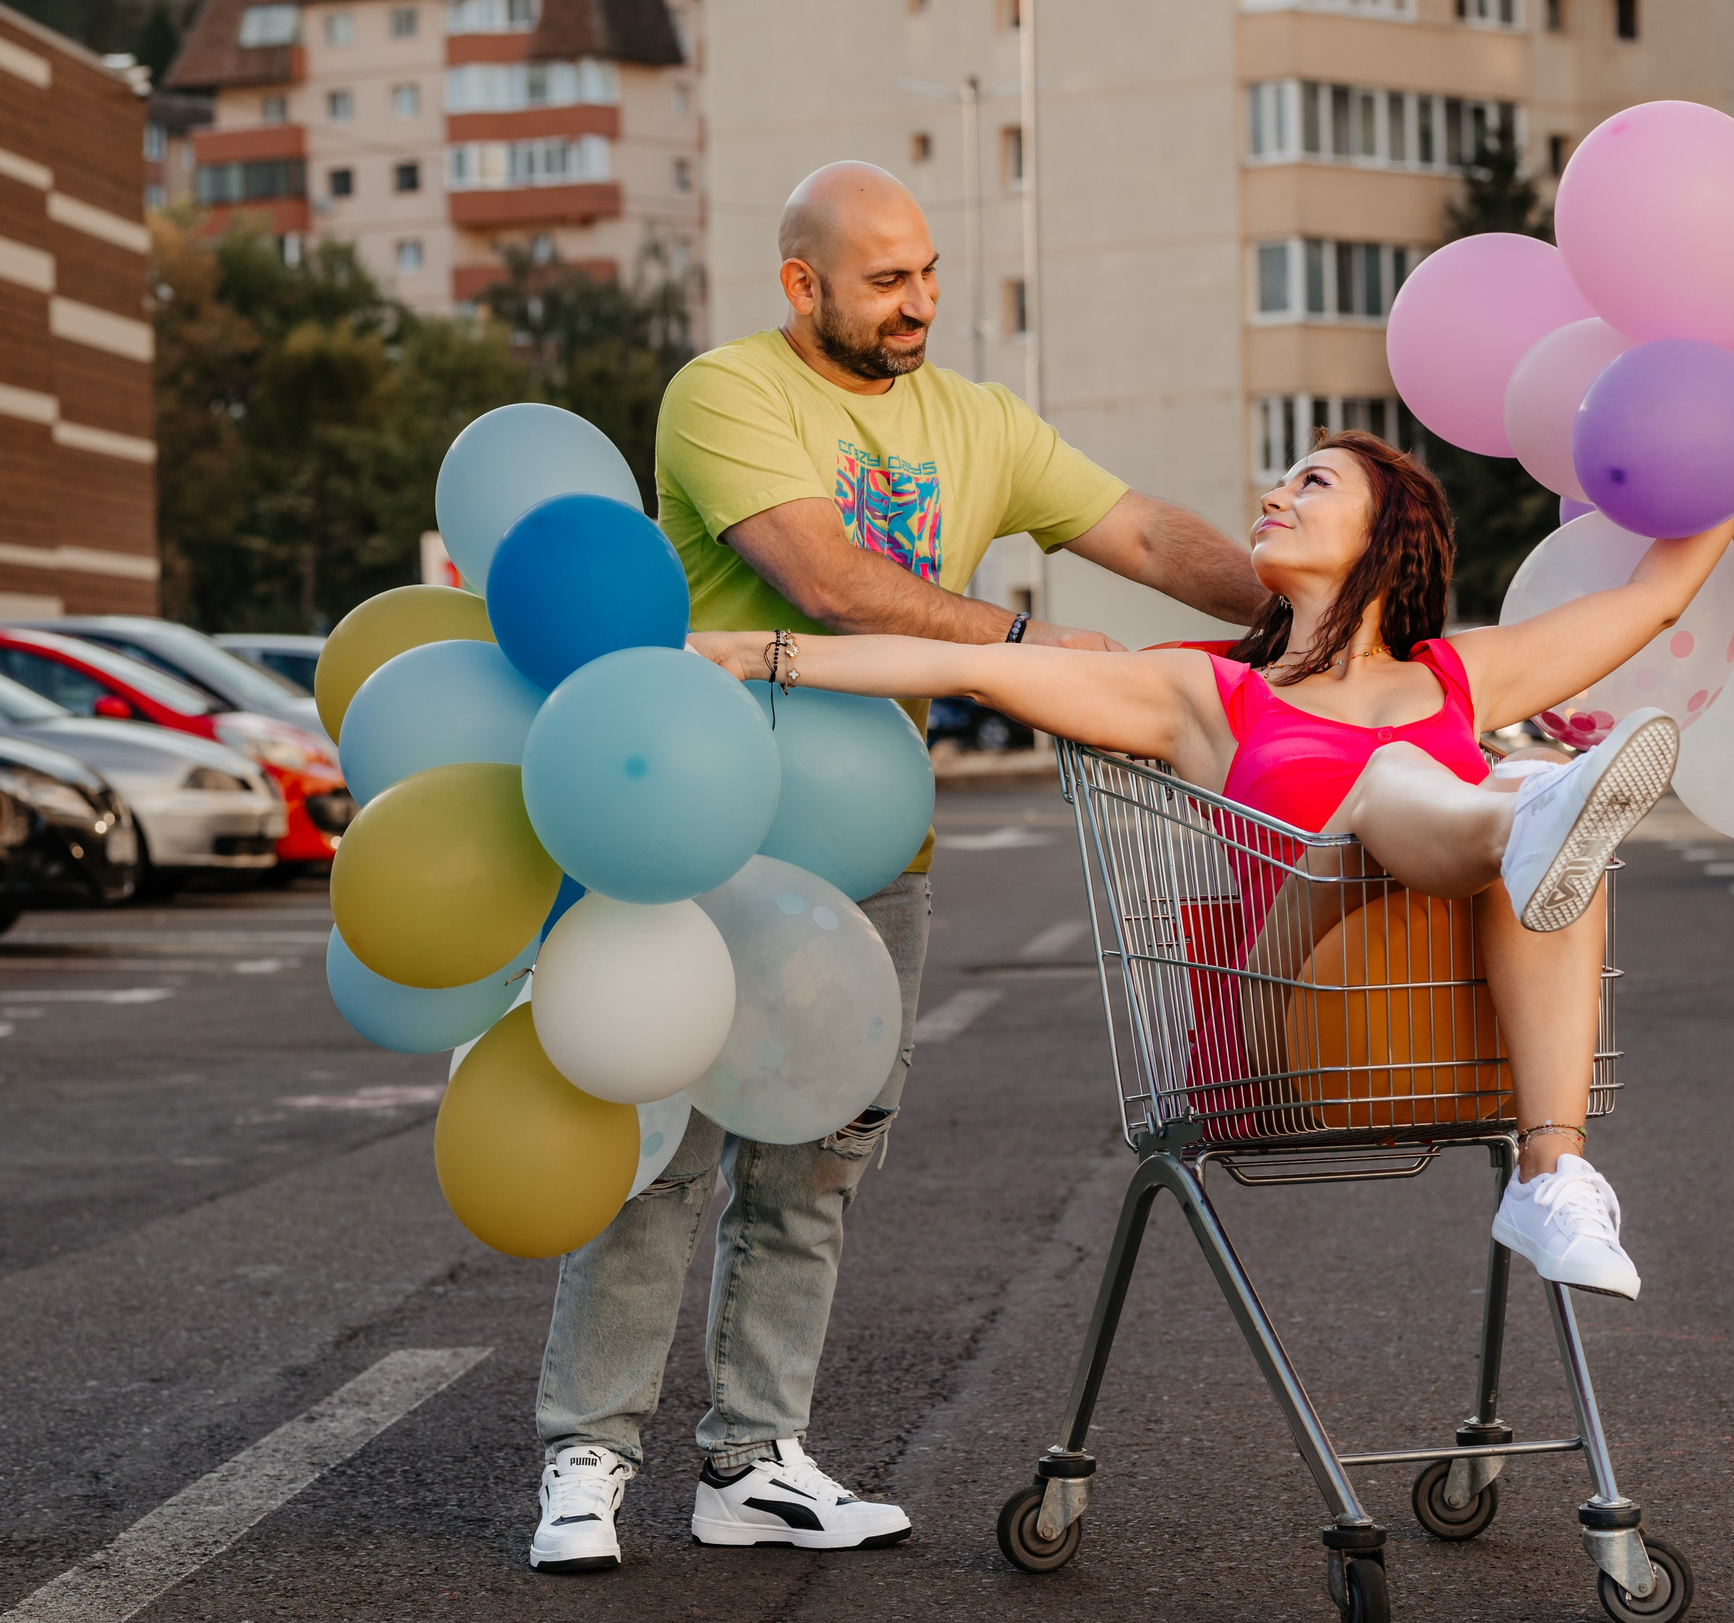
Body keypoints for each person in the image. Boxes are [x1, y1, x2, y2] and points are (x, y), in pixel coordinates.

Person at [527, 161, 1267, 1573]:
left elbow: (1151, 536)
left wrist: (1319, 609)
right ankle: (587, 1452)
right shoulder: (726, 391)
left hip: (875, 848)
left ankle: (753, 1459)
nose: (920, 303)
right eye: (886, 280)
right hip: (697, 833)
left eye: (929, 272)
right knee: (660, 1152)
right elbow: (826, 579)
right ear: (802, 284)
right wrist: (1027, 642)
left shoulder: (977, 419)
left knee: (816, 1157)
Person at [694, 429, 1734, 1303]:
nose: (1272, 495)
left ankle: (1553, 1175)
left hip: (1440, 1026)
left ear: (1386, 535)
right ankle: (1536, 811)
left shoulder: (1460, 675)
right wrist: (757, 654)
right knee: (1422, 790)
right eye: (1282, 479)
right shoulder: (1207, 695)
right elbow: (967, 665)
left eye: (1311, 482)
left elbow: (1650, 597)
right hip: (1284, 1024)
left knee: (1535, 803)